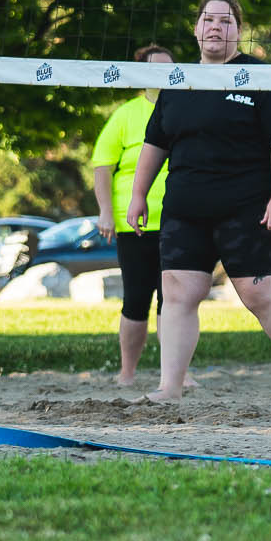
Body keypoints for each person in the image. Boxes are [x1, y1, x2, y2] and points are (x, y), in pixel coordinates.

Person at [126, 0, 271, 401]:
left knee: (258, 293)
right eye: (208, 19)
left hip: (247, 207)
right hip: (185, 207)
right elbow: (155, 144)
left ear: (238, 31)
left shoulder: (258, 76)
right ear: (197, 29)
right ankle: (170, 387)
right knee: (179, 293)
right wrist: (138, 196)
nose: (216, 27)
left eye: (226, 21)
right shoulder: (178, 80)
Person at [91, 42, 176, 387]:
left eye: (168, 67)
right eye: (154, 68)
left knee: (175, 300)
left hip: (180, 220)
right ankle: (127, 373)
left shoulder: (185, 108)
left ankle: (177, 375)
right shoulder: (126, 114)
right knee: (137, 299)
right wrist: (105, 213)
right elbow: (102, 165)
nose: (162, 74)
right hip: (135, 224)